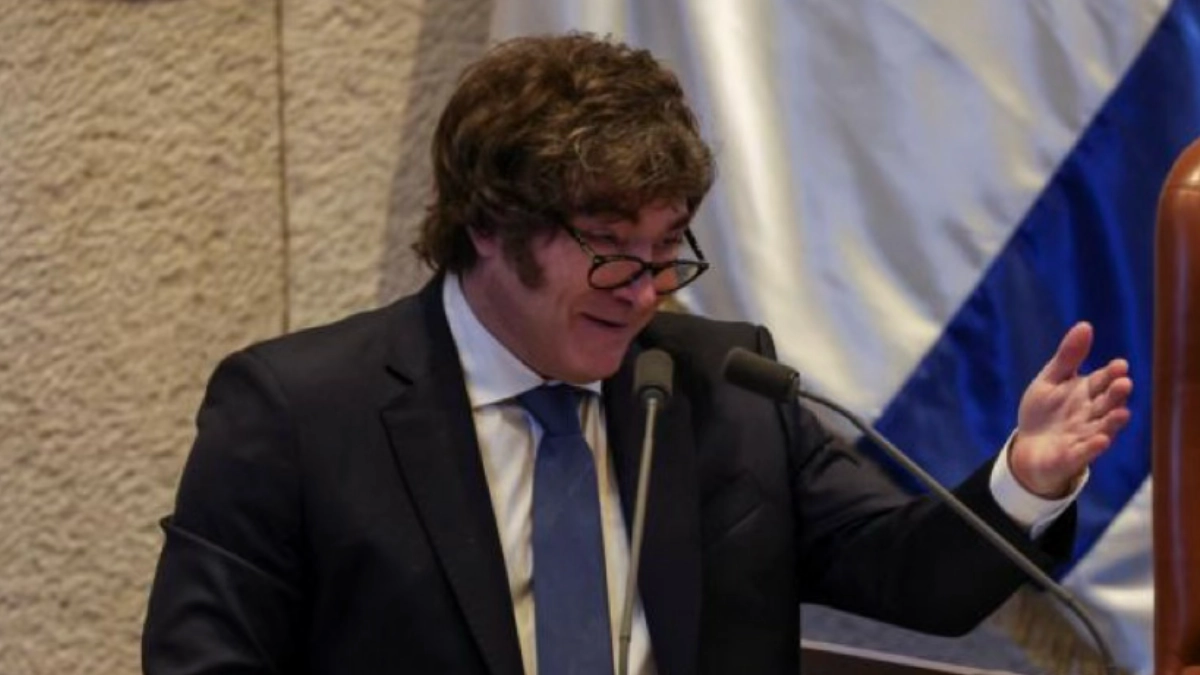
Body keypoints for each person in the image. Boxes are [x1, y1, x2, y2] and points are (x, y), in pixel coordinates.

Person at [142, 33, 1133, 675]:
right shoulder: (297, 413)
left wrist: (1023, 481)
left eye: (669, 250)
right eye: (613, 250)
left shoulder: (721, 388)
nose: (650, 289)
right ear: (490, 225)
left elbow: (916, 580)